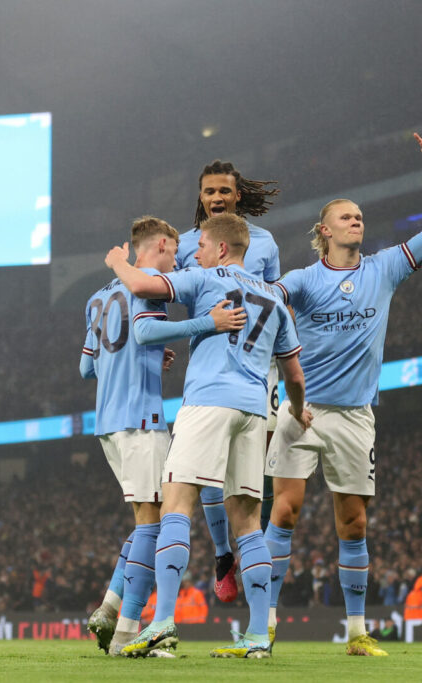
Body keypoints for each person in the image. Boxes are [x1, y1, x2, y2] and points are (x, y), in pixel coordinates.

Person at [264, 133, 422, 657]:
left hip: (354, 416)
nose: (357, 222)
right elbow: (270, 297)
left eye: (360, 217)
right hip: (302, 410)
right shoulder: (304, 279)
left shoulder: (384, 268)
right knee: (285, 512)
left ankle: (356, 633)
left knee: (354, 523)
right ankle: (265, 623)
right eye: (347, 217)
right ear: (325, 230)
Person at [105, 212, 310, 659]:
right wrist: (297, 410)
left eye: (199, 246)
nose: (192, 253)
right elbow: (294, 375)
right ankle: (258, 636)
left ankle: (162, 622)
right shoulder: (274, 297)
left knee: (176, 504)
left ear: (220, 248)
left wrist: (117, 262)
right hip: (253, 411)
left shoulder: (204, 278)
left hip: (208, 402)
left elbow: (140, 285)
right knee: (249, 524)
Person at [82, 216, 245, 655]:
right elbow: (144, 330)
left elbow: (87, 367)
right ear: (158, 246)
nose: (178, 260)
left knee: (147, 519)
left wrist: (146, 357)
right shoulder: (148, 283)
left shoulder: (97, 297)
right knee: (155, 524)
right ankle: (126, 631)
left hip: (107, 424)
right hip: (141, 419)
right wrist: (207, 322)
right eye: (174, 251)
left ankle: (110, 607)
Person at [177, 160, 282, 604]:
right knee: (207, 468)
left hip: (259, 367)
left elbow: (276, 297)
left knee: (258, 470)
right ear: (200, 197)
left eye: (224, 190)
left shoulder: (265, 242)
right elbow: (164, 294)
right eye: (209, 191)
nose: (217, 197)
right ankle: (223, 554)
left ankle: (250, 547)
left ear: (238, 195)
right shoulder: (187, 244)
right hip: (210, 363)